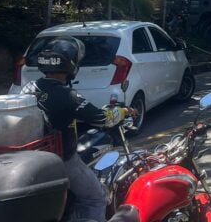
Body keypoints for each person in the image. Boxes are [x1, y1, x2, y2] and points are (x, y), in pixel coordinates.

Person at [31, 37, 134, 222]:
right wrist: (124, 111)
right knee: (95, 198)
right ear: (71, 65)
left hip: (32, 158)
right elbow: (102, 118)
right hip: (62, 160)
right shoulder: (67, 94)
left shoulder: (29, 88)